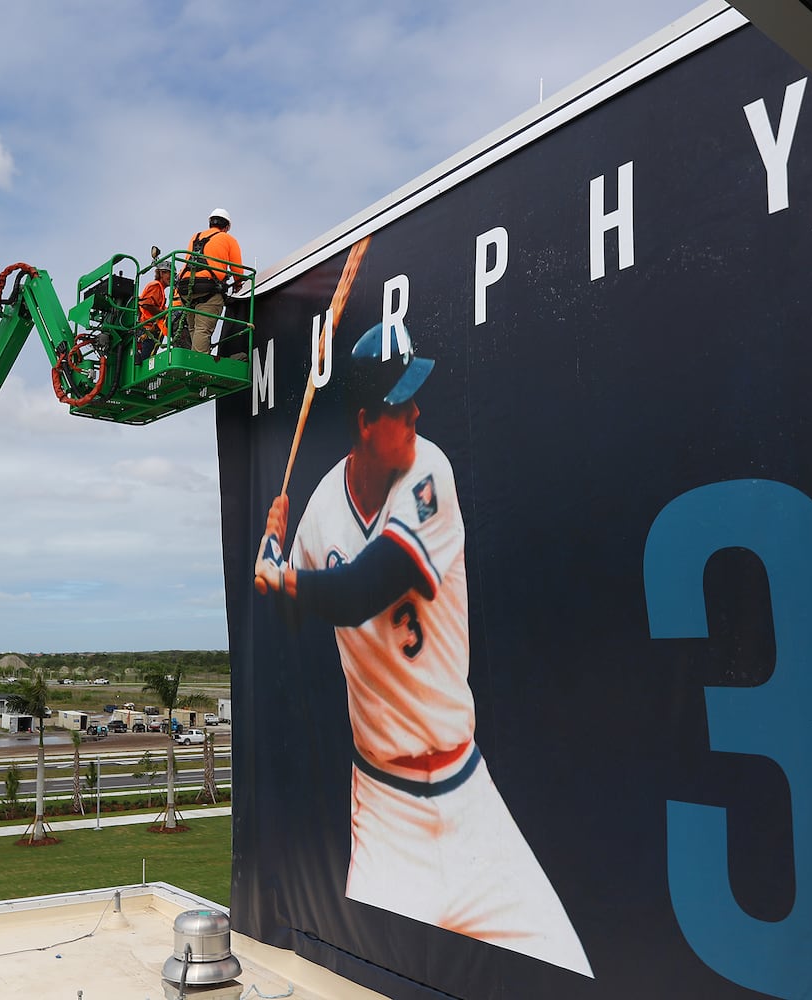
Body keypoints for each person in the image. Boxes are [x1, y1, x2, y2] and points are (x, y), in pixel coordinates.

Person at [253, 323, 593, 977]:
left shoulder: (428, 468)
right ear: (362, 422)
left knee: (568, 972)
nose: (415, 411)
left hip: (469, 802)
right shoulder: (322, 506)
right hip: (385, 816)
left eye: (414, 395)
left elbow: (359, 590)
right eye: (398, 403)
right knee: (363, 982)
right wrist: (272, 559)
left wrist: (283, 574)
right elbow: (291, 608)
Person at [175, 208, 244, 353]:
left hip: (185, 289)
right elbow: (238, 270)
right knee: (202, 329)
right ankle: (198, 367)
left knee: (194, 328)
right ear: (227, 227)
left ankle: (195, 357)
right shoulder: (228, 239)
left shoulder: (196, 236)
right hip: (207, 289)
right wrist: (238, 284)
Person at [136, 253, 173, 363]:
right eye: (169, 274)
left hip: (150, 331)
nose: (171, 278)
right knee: (145, 362)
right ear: (162, 273)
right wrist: (164, 313)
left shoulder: (160, 290)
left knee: (147, 360)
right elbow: (147, 304)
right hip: (147, 331)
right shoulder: (156, 286)